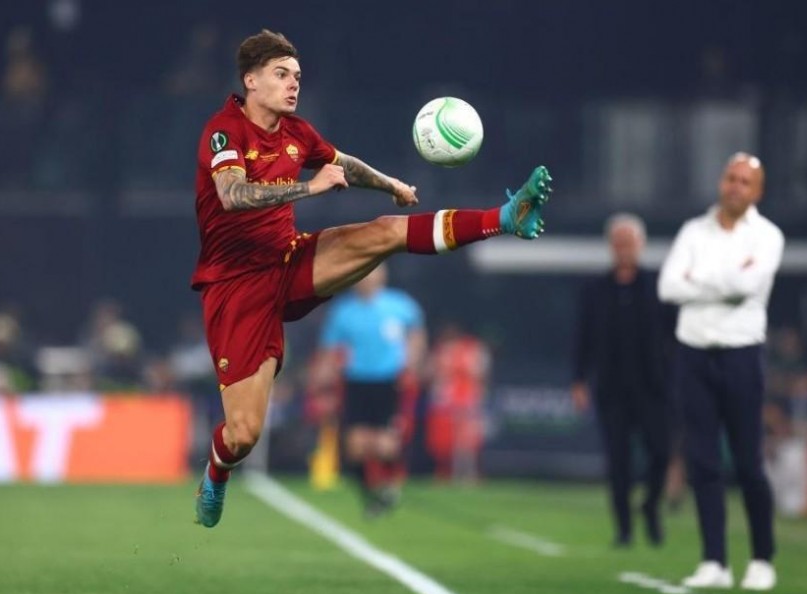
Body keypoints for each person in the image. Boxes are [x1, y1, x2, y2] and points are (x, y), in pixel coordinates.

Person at [190, 29, 552, 528]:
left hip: (289, 263)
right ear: (250, 80)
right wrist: (310, 187)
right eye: (281, 75)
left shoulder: (297, 133)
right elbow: (232, 195)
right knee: (243, 435)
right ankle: (216, 472)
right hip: (234, 289)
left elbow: (343, 163)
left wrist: (390, 185)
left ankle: (505, 216)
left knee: (385, 232)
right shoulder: (224, 131)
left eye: (297, 76)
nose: (293, 84)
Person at [658, 153, 784, 591]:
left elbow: (748, 289)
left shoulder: (768, 236)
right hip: (693, 354)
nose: (735, 187)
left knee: (748, 463)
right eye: (730, 178)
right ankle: (715, 560)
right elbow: (669, 286)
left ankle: (762, 558)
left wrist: (700, 280)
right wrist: (725, 279)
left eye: (745, 182)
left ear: (758, 191)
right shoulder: (694, 230)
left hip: (740, 355)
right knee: (702, 463)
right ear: (720, 181)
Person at [570, 213, 675, 548]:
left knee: (660, 451)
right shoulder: (595, 289)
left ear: (640, 245)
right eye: (618, 244)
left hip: (653, 386)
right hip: (611, 388)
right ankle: (625, 529)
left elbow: (675, 337)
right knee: (618, 462)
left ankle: (650, 504)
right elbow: (582, 338)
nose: (624, 250)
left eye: (629, 243)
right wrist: (579, 380)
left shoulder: (659, 286)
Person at [316, 264, 425, 516]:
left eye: (373, 273)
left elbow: (417, 335)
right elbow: (330, 350)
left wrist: (414, 360)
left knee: (385, 444)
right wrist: (323, 380)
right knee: (355, 446)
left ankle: (389, 486)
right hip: (356, 382)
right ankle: (371, 497)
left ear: (383, 276)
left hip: (389, 382)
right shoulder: (343, 311)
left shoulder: (400, 305)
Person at [425, 323, 491, 483]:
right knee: (445, 440)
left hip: (466, 398)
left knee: (466, 440)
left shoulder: (472, 349)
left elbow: (481, 373)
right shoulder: (442, 351)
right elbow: (432, 374)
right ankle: (446, 472)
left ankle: (468, 474)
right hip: (448, 400)